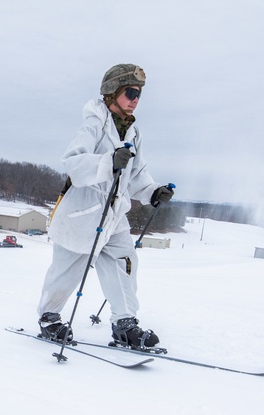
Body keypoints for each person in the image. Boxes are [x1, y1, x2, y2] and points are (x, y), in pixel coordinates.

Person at [36, 63, 174, 347]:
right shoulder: (94, 123)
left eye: (139, 94)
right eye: (131, 92)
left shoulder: (133, 133)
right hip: (81, 213)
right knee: (67, 271)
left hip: (113, 215)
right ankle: (50, 318)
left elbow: (137, 174)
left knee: (124, 263)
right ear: (112, 93)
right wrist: (107, 162)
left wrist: (152, 192)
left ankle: (124, 323)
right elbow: (73, 162)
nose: (136, 99)